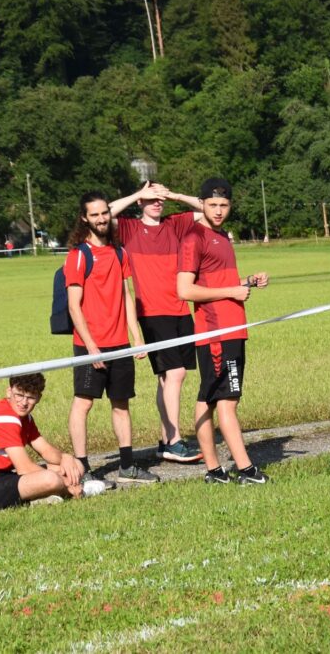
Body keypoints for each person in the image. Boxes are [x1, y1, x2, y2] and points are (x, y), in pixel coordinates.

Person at [177, 178, 269, 485]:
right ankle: (245, 470)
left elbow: (217, 282)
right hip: (217, 331)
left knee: (208, 398)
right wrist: (233, 290)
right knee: (227, 400)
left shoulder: (221, 236)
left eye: (224, 205)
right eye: (212, 205)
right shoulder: (194, 237)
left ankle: (214, 471)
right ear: (201, 203)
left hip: (231, 327)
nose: (218, 211)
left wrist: (247, 282)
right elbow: (184, 289)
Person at [64, 191, 159, 485]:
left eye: (104, 213)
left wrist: (137, 337)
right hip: (90, 346)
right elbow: (73, 305)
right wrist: (91, 345)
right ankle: (83, 468)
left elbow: (126, 296)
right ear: (84, 218)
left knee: (121, 404)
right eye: (94, 214)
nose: (101, 218)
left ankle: (127, 466)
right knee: (84, 404)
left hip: (120, 344)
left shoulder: (120, 252)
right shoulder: (79, 255)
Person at [110, 182, 205, 463]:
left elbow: (206, 208)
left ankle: (167, 439)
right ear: (140, 202)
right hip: (152, 312)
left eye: (159, 199)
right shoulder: (129, 229)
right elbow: (106, 213)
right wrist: (138, 193)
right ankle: (174, 440)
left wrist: (173, 194)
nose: (156, 203)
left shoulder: (175, 225)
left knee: (169, 378)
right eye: (150, 199)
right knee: (175, 374)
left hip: (180, 309)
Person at [0, 373, 106, 510]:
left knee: (75, 465)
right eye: (19, 395)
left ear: (39, 398)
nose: (23, 403)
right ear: (9, 392)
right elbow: (24, 468)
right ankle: (78, 491)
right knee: (51, 479)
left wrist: (66, 457)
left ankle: (41, 497)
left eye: (30, 397)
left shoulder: (24, 418)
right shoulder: (3, 417)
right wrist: (67, 483)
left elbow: (45, 450)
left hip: (4, 476)